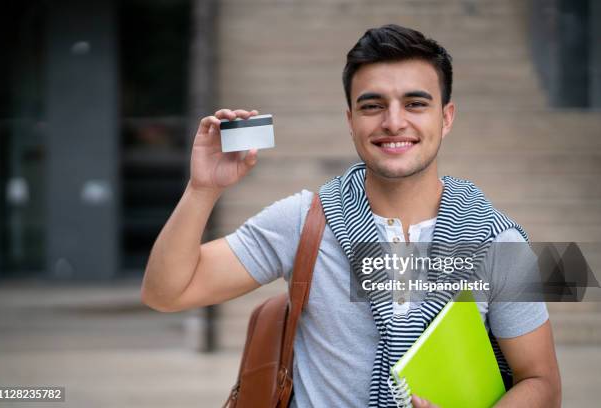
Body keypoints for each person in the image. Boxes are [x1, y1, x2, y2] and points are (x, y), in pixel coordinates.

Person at [141, 24, 561, 408]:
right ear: (351, 120)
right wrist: (203, 189)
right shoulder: (303, 220)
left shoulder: (498, 242)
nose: (394, 122)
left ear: (445, 117)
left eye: (415, 103)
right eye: (372, 106)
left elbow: (541, 383)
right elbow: (168, 292)